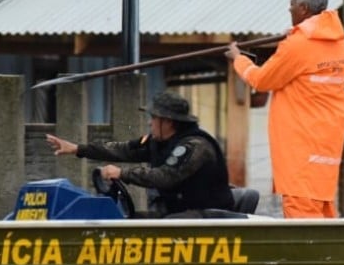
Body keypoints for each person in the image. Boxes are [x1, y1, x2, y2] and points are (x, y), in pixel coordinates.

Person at [225, 0, 344, 218]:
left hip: (300, 150)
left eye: (292, 5)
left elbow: (262, 79)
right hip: (326, 149)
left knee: (303, 225)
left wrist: (238, 59)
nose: (289, 9)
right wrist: (293, 36)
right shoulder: (337, 42)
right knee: (324, 214)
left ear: (303, 8)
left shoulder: (299, 44)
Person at [44, 91, 235, 217]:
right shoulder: (159, 142)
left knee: (160, 227)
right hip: (179, 211)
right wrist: (78, 149)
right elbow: (124, 149)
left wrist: (122, 174)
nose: (150, 123)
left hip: (208, 215)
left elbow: (165, 177)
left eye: (154, 118)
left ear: (168, 122)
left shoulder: (195, 146)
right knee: (132, 220)